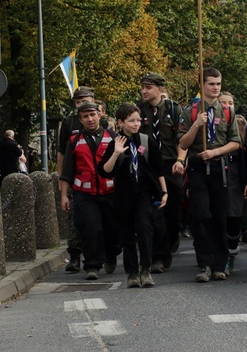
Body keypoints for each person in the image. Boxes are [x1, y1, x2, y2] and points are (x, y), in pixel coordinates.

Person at [178, 67, 241, 283]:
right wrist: (196, 125)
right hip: (197, 168)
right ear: (202, 85)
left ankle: (219, 264)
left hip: (218, 166)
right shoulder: (190, 112)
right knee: (200, 216)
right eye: (211, 84)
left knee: (219, 217)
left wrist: (215, 151)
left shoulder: (227, 111)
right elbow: (183, 143)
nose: (215, 88)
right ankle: (204, 263)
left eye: (218, 84)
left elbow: (235, 142)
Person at [98, 103, 167, 288]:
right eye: (131, 121)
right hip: (123, 192)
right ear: (121, 122)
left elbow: (158, 169)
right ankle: (132, 273)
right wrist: (115, 154)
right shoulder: (115, 143)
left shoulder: (146, 141)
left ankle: (146, 269)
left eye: (138, 120)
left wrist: (164, 191)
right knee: (127, 232)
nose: (136, 124)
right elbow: (104, 172)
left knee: (145, 227)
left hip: (144, 191)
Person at [58, 102, 121, 280]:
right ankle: (92, 266)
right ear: (81, 120)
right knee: (90, 228)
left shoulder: (113, 137)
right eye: (85, 116)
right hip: (84, 194)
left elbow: (121, 167)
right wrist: (64, 195)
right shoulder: (75, 141)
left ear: (99, 115)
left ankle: (111, 254)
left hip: (110, 192)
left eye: (92, 115)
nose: (90, 119)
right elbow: (68, 171)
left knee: (112, 230)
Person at [137, 72, 186, 274]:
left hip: (171, 165)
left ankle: (171, 241)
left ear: (159, 88)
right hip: (148, 166)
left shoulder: (173, 109)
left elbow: (182, 138)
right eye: (142, 87)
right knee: (155, 213)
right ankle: (159, 257)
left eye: (149, 87)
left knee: (173, 212)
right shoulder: (138, 110)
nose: (144, 91)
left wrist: (181, 160)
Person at [57, 86, 99, 273]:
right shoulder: (69, 122)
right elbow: (61, 153)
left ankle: (102, 253)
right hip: (76, 177)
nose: (82, 105)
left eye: (85, 101)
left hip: (98, 177)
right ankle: (75, 256)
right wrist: (61, 178)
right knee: (75, 218)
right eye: (78, 102)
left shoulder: (100, 120)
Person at [223, 113, 247, 276]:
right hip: (217, 177)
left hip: (235, 179)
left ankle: (231, 255)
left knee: (233, 217)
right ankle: (217, 256)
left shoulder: (242, 129)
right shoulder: (211, 128)